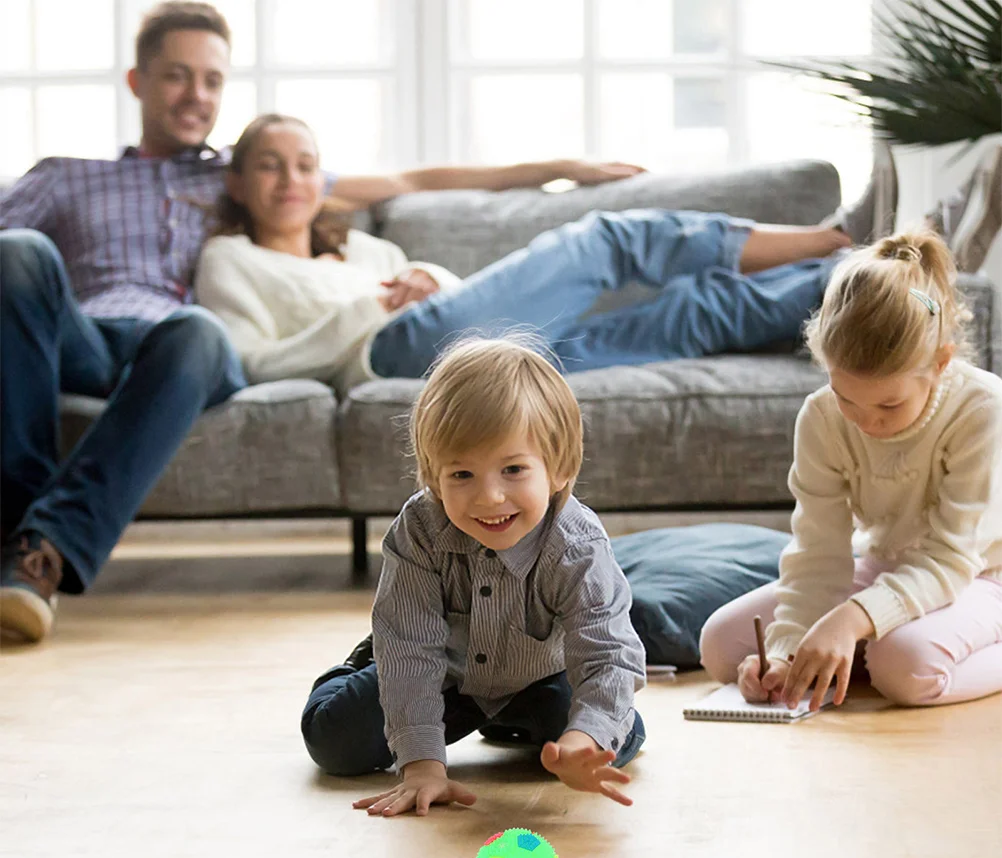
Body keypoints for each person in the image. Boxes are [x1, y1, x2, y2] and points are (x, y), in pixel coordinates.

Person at [0, 2, 644, 644]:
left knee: (197, 329)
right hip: (85, 338)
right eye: (176, 75)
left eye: (213, 80)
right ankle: (14, 528)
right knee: (18, 253)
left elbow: (411, 179)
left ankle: (42, 549)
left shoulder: (241, 174)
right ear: (138, 82)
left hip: (186, 353)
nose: (196, 94)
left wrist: (561, 168)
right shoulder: (67, 177)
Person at [196, 113, 870, 393]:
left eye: (305, 164)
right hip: (393, 358)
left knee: (690, 313)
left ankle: (859, 275)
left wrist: (428, 277)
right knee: (604, 241)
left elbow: (466, 309)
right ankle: (834, 233)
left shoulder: (367, 249)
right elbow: (249, 364)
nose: (290, 181)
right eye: (269, 166)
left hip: (481, 359)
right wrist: (369, 309)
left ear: (324, 180)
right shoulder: (231, 260)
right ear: (237, 180)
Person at [301, 338, 647, 815]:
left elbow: (608, 653)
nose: (489, 497)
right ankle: (363, 660)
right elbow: (412, 650)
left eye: (513, 469)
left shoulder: (577, 544)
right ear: (432, 477)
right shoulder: (421, 529)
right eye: (461, 475)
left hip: (540, 674)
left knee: (614, 739)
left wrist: (581, 739)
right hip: (442, 672)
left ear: (560, 469)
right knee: (333, 742)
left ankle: (513, 718)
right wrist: (422, 764)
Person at [699, 230, 1002, 711]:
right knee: (721, 645)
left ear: (941, 363)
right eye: (846, 397)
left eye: (888, 404)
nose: (865, 421)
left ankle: (880, 647)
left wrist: (849, 621)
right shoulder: (821, 416)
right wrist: (784, 651)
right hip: (887, 564)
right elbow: (817, 552)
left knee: (904, 669)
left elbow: (950, 559)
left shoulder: (982, 408)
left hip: (980, 574)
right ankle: (866, 647)